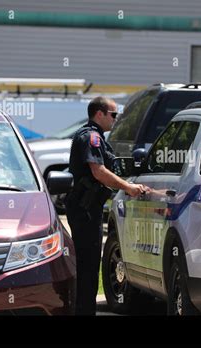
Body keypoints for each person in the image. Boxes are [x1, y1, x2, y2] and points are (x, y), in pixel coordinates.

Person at [66, 96, 146, 315]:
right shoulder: (91, 137)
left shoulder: (96, 136)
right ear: (99, 114)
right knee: (87, 265)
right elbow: (98, 171)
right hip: (85, 211)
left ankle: (84, 309)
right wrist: (128, 188)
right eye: (113, 114)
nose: (116, 118)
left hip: (88, 209)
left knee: (89, 264)